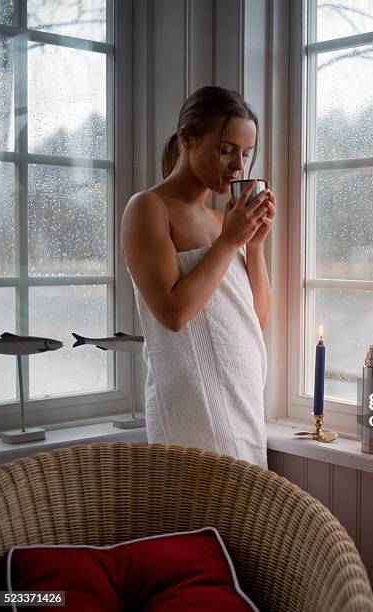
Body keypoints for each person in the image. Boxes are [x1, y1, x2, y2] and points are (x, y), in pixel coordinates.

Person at [121, 86, 275, 469]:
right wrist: (228, 242)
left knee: (240, 525)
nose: (238, 165)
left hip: (243, 400)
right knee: (199, 521)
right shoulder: (148, 208)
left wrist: (254, 247)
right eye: (226, 150)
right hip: (192, 405)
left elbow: (256, 321)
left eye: (246, 153)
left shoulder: (224, 222)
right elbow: (173, 313)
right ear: (188, 139)